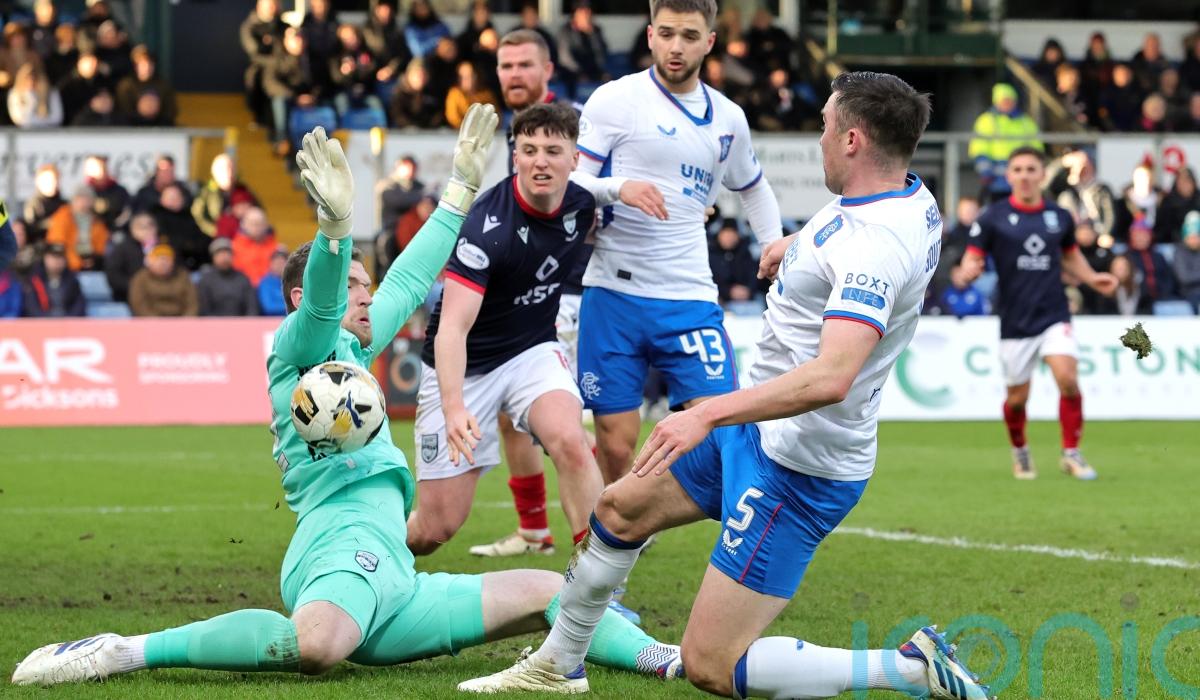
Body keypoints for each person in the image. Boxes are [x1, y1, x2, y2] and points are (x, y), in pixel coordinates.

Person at [11, 111, 683, 688]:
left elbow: (412, 277)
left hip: (397, 576)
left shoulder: (353, 350)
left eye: (365, 284)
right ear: (303, 297)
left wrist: (458, 192)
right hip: (338, 545)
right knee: (318, 646)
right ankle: (123, 651)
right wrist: (335, 231)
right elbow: (324, 301)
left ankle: (667, 659)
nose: (368, 295)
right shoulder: (298, 347)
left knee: (556, 594)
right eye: (356, 286)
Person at [460, 71, 992, 700]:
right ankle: (558, 665)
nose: (819, 137)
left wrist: (707, 413)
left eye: (825, 125)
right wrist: (798, 248)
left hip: (798, 465)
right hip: (755, 428)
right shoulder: (904, 194)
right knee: (619, 509)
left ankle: (908, 668)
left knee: (711, 664)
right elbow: (852, 237)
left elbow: (832, 376)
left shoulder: (875, 246)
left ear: (853, 140)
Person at [567, 0, 782, 502]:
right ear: (649, 36)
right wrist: (620, 188)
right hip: (612, 293)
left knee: (722, 429)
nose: (676, 46)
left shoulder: (728, 118)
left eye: (688, 35)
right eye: (666, 34)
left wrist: (773, 245)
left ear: (710, 42)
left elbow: (753, 187)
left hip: (688, 297)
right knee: (615, 445)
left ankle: (726, 529)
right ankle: (618, 540)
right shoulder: (614, 100)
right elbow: (572, 184)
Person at [407, 102, 606, 562]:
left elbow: (613, 193)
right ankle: (360, 554)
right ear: (515, 157)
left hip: (531, 351)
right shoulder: (485, 228)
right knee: (435, 529)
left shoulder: (582, 204)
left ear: (575, 159)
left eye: (553, 151)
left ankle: (599, 586)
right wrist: (454, 408)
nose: (540, 161)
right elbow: (452, 329)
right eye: (529, 150)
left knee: (571, 441)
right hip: (464, 368)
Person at [962, 146, 1118, 480]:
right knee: (1017, 400)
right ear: (1009, 176)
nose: (1025, 176)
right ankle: (1020, 450)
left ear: (1042, 175)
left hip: (1053, 313)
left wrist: (1092, 278)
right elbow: (972, 256)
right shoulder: (992, 217)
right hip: (1015, 320)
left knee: (1068, 379)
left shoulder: (1059, 217)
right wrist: (969, 269)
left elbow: (1070, 255)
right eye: (1018, 170)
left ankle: (1071, 453)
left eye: (1031, 169)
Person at [967, 83, 1043, 203]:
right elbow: (979, 148)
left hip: (1022, 178)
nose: (1007, 103)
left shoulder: (1026, 122)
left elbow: (1037, 149)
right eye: (1003, 100)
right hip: (996, 179)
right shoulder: (986, 120)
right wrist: (986, 171)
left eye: (1010, 100)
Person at [127, 244, 199, 317]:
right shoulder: (141, 278)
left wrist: (186, 319)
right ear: (150, 261)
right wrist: (155, 321)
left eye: (167, 260)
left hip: (180, 319)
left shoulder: (183, 276)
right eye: (159, 259)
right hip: (151, 320)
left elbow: (192, 302)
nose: (164, 263)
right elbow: (139, 304)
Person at [197, 238, 259, 316]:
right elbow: (204, 310)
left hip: (241, 322)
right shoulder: (205, 281)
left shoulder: (243, 279)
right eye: (220, 254)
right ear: (213, 257)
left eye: (227, 253)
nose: (224, 258)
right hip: (213, 322)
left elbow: (252, 307)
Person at [22, 245, 86, 318]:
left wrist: (68, 320)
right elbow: (31, 306)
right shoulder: (35, 279)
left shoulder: (72, 280)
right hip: (41, 322)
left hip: (67, 322)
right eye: (53, 257)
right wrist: (46, 321)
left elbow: (79, 305)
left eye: (60, 257)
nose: (57, 261)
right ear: (45, 258)